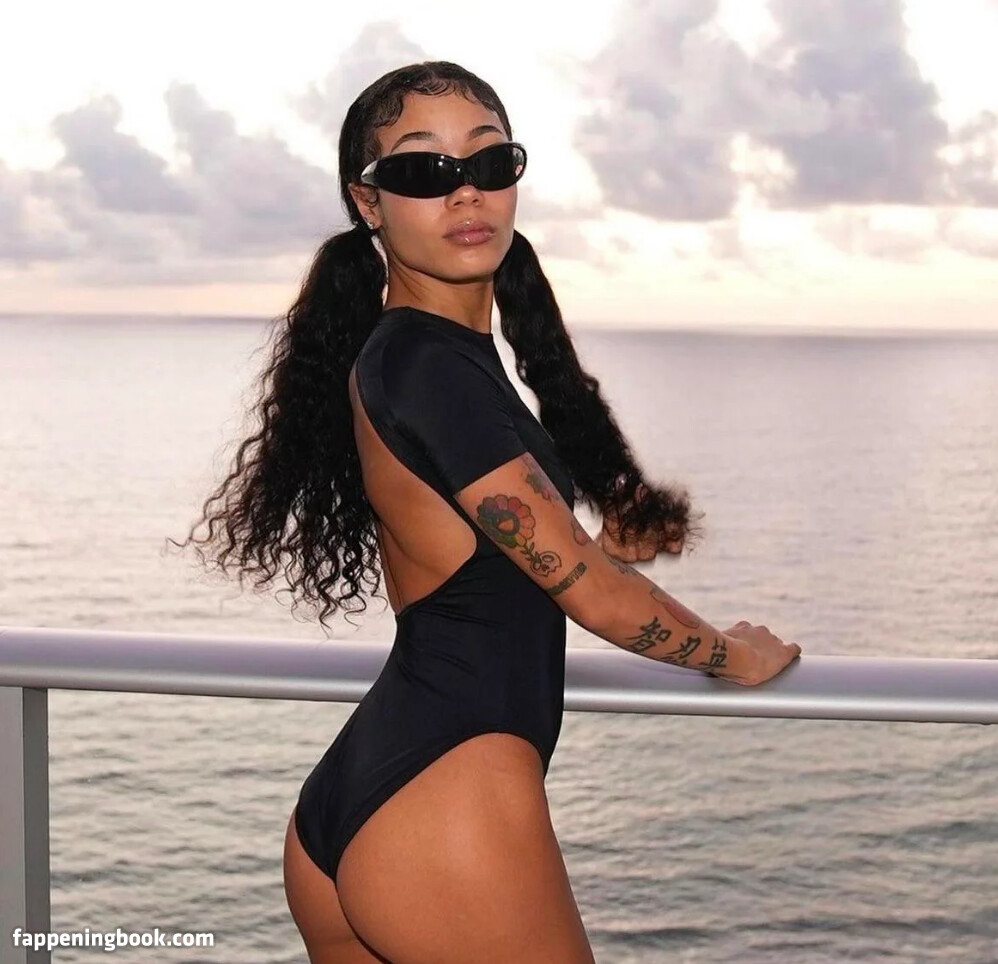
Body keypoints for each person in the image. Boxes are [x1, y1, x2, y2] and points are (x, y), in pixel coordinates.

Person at [174, 61, 801, 964]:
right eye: (422, 170)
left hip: (371, 793)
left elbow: (498, 559)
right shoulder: (427, 366)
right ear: (368, 202)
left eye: (489, 162)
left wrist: (598, 545)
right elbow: (591, 597)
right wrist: (736, 654)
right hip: (446, 805)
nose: (465, 190)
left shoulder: (425, 356)